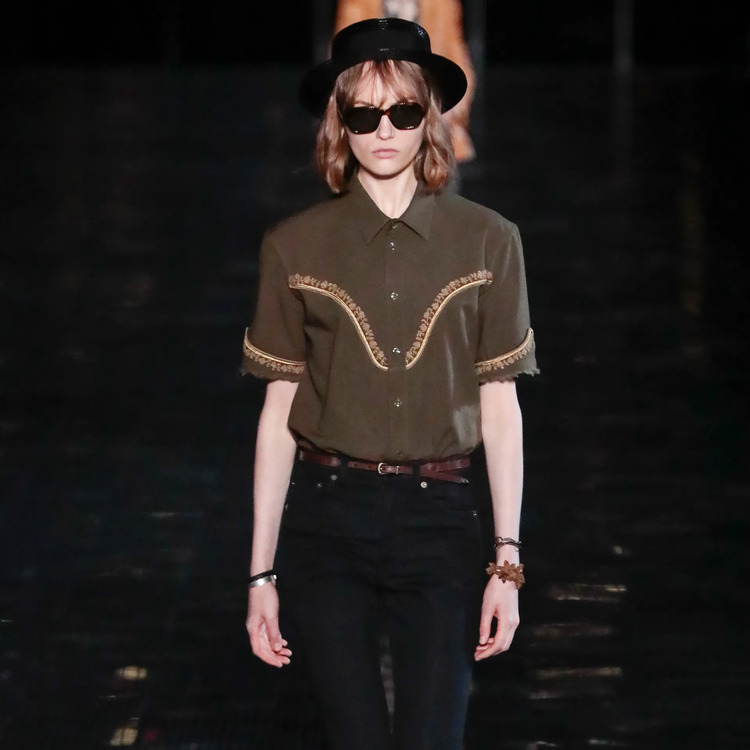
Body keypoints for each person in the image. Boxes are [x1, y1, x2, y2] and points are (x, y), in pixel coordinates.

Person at [242, 17, 538, 750]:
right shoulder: (293, 246)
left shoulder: (489, 240)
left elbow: (501, 407)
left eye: (403, 112)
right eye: (363, 113)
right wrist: (260, 576)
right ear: (338, 121)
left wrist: (507, 563)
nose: (383, 131)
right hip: (326, 521)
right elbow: (278, 413)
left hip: (440, 522)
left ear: (428, 117)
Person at [332, 0, 477, 162]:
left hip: (430, 110)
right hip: (371, 112)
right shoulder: (358, 3)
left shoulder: (442, 4)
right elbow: (344, 62)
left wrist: (446, 107)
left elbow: (458, 59)